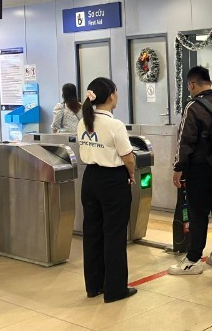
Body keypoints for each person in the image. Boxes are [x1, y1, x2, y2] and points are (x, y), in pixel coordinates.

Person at [168, 66, 212, 275]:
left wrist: (179, 167)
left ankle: (193, 259)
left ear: (192, 84)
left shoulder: (193, 107)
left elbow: (185, 141)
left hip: (200, 169)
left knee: (198, 213)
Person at [77, 77, 137, 303]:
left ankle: (94, 285)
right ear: (111, 95)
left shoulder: (83, 121)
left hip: (90, 179)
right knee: (114, 234)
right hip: (112, 181)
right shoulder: (115, 125)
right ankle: (115, 289)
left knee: (92, 233)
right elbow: (128, 157)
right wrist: (131, 174)